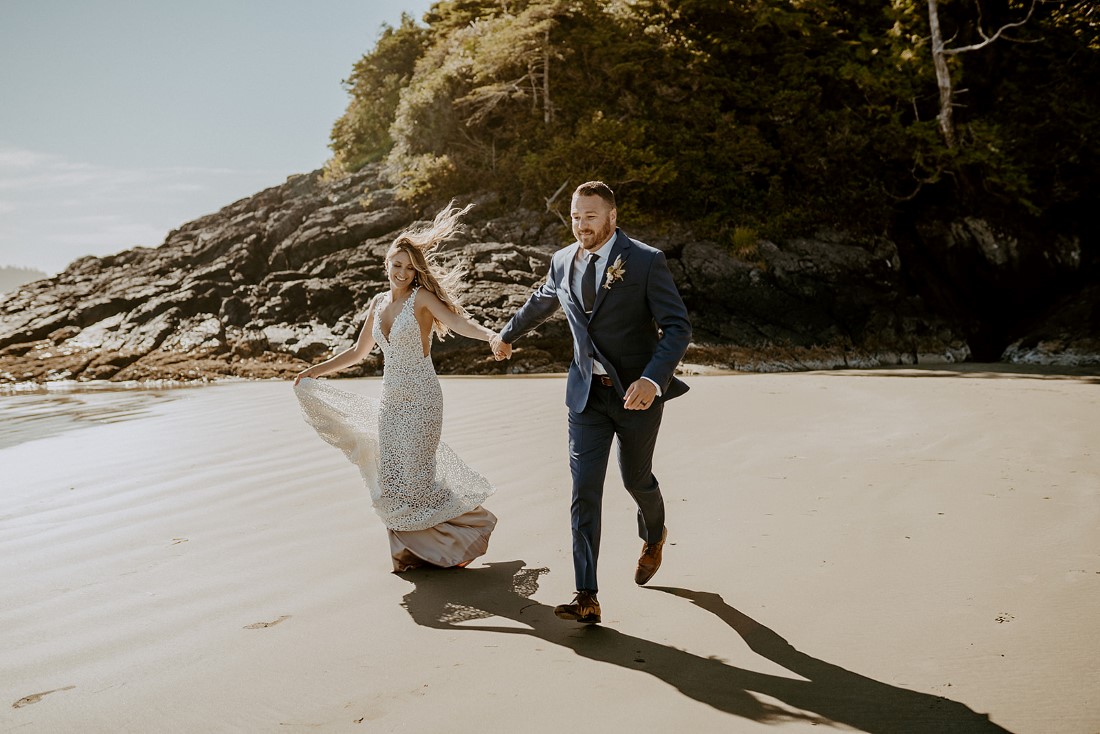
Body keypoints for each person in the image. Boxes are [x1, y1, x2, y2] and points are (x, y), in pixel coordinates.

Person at [491, 181, 691, 623]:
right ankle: (587, 595)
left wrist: (652, 380)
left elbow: (677, 328)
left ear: (612, 216)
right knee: (583, 492)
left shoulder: (645, 260)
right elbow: (541, 301)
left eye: (591, 216)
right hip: (585, 398)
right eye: (576, 216)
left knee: (635, 480)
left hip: (636, 397)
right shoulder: (562, 261)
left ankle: (654, 534)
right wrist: (506, 334)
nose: (581, 225)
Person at [294, 203, 500, 573]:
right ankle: (409, 555)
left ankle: (464, 534)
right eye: (397, 264)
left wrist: (490, 336)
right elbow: (357, 352)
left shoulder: (421, 298)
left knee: (418, 480)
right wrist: (315, 371)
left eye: (410, 267)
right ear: (386, 264)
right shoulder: (377, 303)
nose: (403, 272)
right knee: (391, 481)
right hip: (391, 404)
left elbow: (457, 321)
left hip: (422, 401)